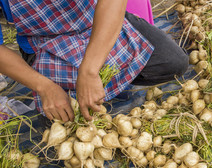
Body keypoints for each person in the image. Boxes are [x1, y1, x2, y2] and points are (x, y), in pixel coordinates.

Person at [0, 0, 189, 122]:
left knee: (174, 62)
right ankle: (105, 86)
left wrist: (89, 71)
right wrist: (45, 87)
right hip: (46, 43)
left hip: (96, 22)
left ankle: (101, 85)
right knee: (63, 116)